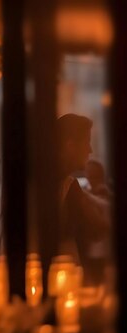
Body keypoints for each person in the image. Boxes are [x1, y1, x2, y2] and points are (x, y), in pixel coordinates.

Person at [57, 114, 110, 285]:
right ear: (70, 145)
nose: (90, 150)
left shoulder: (70, 185)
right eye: (87, 141)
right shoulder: (65, 186)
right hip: (62, 283)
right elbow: (100, 227)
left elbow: (98, 227)